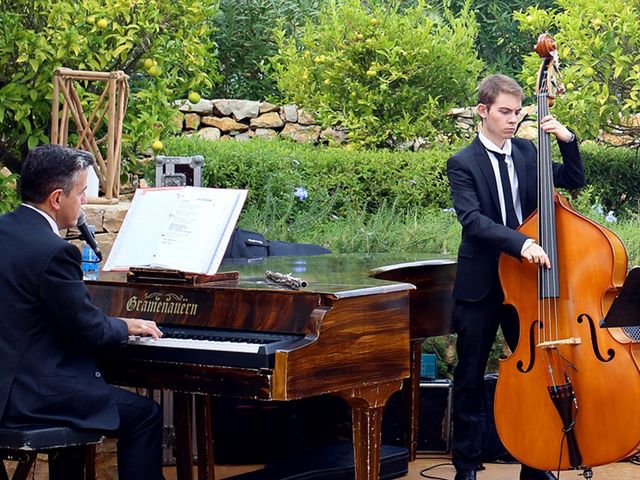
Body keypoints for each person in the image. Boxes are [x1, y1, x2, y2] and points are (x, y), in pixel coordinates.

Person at [446, 74, 585, 480]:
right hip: (484, 283)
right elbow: (472, 220)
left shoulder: (528, 151)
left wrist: (565, 137)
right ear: (482, 111)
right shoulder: (462, 162)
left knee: (539, 370)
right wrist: (521, 244)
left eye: (517, 113)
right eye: (504, 112)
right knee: (469, 375)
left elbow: (574, 180)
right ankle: (467, 467)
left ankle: (536, 459)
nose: (512, 120)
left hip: (526, 286)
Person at [0, 144, 165, 480]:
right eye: (82, 192)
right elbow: (91, 330)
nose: (85, 201)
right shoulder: (55, 253)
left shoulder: (6, 230)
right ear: (57, 198)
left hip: (8, 388)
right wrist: (127, 325)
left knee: (79, 390)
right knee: (146, 415)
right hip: (31, 397)